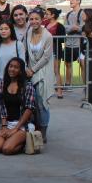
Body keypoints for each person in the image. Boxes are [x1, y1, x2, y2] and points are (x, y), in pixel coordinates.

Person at [0, 58, 35, 155]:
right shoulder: (3, 84)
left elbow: (29, 109)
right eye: (10, 66)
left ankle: (24, 141)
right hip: (8, 123)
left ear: (21, 70)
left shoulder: (27, 86)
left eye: (16, 67)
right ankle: (12, 140)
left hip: (22, 125)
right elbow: (2, 107)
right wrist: (4, 126)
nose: (12, 69)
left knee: (6, 149)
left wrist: (15, 129)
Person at [24, 8, 54, 142]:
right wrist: (26, 68)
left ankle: (44, 130)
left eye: (37, 19)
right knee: (32, 102)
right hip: (30, 72)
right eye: (31, 19)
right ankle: (35, 127)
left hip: (42, 72)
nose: (34, 21)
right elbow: (25, 51)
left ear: (42, 20)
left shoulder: (48, 36)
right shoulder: (28, 32)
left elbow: (46, 57)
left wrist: (33, 69)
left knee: (42, 103)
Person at [0, 21, 25, 87]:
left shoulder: (18, 44)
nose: (3, 31)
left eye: (6, 29)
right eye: (1, 29)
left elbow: (22, 64)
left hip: (15, 81)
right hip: (1, 80)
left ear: (11, 30)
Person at [45, 7, 65, 98]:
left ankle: (59, 91)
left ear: (52, 15)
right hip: (47, 50)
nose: (46, 15)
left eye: (47, 14)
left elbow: (63, 38)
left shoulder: (59, 26)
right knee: (46, 71)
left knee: (56, 70)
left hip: (56, 49)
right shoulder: (46, 25)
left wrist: (52, 38)